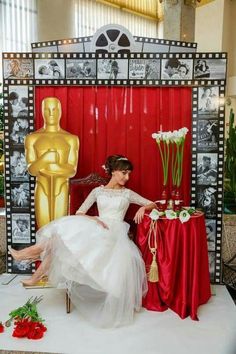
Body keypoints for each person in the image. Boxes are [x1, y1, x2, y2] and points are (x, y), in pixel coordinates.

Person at [9, 154, 157, 327]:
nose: (127, 177)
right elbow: (80, 212)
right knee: (61, 235)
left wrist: (143, 209)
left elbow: (153, 203)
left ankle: (28, 261)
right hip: (96, 226)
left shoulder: (127, 193)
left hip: (114, 232)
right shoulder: (98, 191)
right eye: (124, 173)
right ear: (114, 172)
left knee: (62, 240)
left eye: (129, 173)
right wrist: (93, 219)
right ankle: (31, 266)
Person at [24, 97, 79, 228]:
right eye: (47, 110)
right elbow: (31, 169)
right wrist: (46, 158)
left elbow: (72, 170)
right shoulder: (32, 138)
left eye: (54, 109)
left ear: (60, 111)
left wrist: (54, 166)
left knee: (59, 229)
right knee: (43, 229)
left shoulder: (71, 139)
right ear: (42, 111)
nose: (51, 113)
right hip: (42, 186)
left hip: (62, 187)